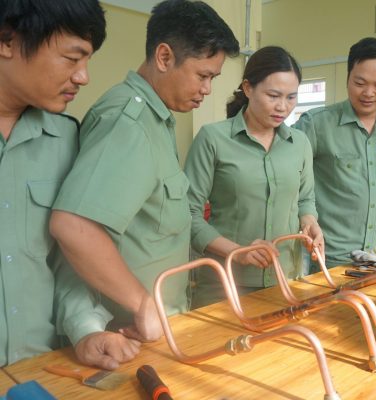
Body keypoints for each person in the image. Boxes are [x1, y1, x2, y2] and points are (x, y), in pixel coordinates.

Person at [49, 0, 239, 341]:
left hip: (162, 328)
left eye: (213, 78)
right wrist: (142, 304)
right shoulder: (129, 121)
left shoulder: (157, 120)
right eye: (203, 75)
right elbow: (75, 226)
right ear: (164, 57)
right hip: (127, 335)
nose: (207, 89)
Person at [0, 0, 139, 369]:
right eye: (72, 58)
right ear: (7, 41)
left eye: (87, 61)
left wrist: (85, 329)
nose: (83, 77)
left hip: (42, 369)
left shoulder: (64, 139)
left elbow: (63, 262)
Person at [185, 46, 323, 307]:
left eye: (291, 97)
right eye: (273, 95)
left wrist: (309, 222)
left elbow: (305, 199)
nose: (283, 107)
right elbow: (187, 214)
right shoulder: (213, 139)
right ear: (248, 88)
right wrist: (236, 252)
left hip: (286, 280)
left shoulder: (300, 143)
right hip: (225, 285)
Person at [293, 37, 376, 267]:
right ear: (347, 79)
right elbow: (288, 170)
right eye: (360, 82)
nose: (369, 93)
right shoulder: (317, 124)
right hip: (332, 258)